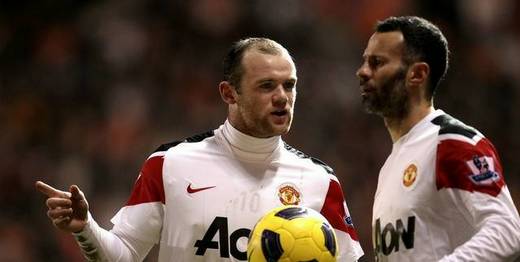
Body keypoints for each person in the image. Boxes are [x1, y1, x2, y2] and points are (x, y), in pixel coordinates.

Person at [36, 37, 364, 261]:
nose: (281, 96)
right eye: (266, 86)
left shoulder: (321, 181)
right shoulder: (170, 165)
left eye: (289, 85)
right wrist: (85, 228)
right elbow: (124, 254)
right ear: (229, 93)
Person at [356, 16, 520, 261]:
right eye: (365, 62)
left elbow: (507, 231)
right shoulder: (389, 166)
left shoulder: (452, 142)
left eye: (377, 62)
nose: (362, 71)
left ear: (418, 74)